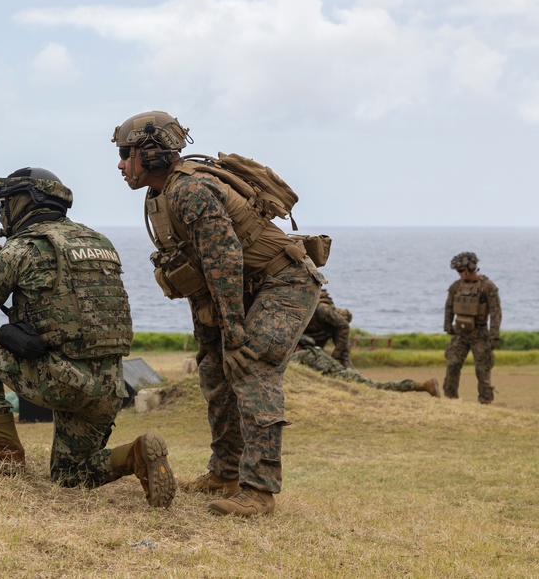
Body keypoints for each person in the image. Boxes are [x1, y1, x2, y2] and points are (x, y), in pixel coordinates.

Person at [0, 167, 176, 508]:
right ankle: (136, 454)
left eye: (4, 205)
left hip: (59, 381)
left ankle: (5, 450)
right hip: (110, 386)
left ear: (23, 202)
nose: (2, 213)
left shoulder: (20, 249)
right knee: (70, 475)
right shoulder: (99, 242)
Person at [111, 110, 324, 517]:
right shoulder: (161, 195)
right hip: (236, 292)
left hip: (282, 283)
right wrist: (214, 336)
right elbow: (198, 268)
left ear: (153, 154)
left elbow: (223, 260)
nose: (121, 164)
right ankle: (225, 473)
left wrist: (236, 333)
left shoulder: (189, 190)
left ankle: (259, 492)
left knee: (251, 368)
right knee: (213, 373)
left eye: (127, 153)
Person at [293, 336, 439, 396]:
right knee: (379, 388)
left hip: (344, 378)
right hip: (347, 374)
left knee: (382, 388)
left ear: (298, 347)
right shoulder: (316, 351)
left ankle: (422, 386)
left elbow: (289, 367)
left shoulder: (303, 354)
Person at [443, 252, 501, 404]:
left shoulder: (487, 287)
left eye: (462, 271)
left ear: (471, 267)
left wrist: (494, 335)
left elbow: (496, 312)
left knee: (482, 369)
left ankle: (485, 402)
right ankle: (450, 399)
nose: (460, 274)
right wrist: (448, 325)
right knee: (453, 364)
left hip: (480, 333)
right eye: (458, 271)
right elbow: (449, 306)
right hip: (460, 334)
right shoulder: (456, 286)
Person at [303, 289, 354, 368]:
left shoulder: (323, 309)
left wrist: (337, 351)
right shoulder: (299, 308)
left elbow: (344, 326)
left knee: (343, 357)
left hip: (327, 332)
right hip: (310, 334)